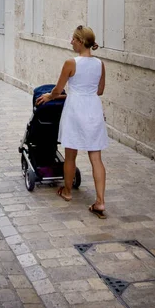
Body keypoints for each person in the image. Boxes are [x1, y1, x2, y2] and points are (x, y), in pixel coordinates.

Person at [36, 25, 108, 219]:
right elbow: (99, 91)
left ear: (80, 41)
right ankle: (100, 202)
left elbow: (58, 90)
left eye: (73, 39)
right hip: (93, 108)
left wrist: (50, 97)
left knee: (70, 154)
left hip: (75, 109)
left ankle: (67, 192)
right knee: (96, 157)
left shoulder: (71, 62)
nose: (71, 42)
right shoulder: (100, 64)